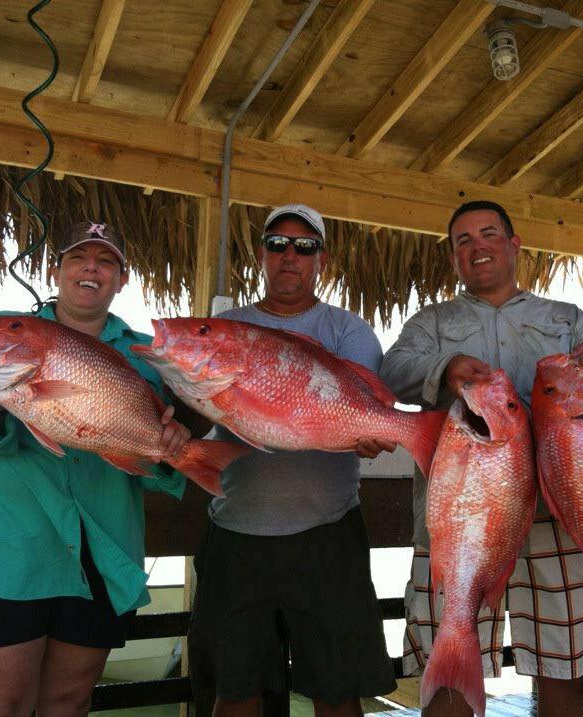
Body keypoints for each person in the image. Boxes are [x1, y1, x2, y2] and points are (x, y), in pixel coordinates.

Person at [379, 200, 583, 717]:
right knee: (448, 675)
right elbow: (390, 374)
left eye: (488, 234)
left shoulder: (565, 318)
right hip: (461, 522)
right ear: (454, 257)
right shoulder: (432, 322)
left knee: (565, 666)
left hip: (559, 520)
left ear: (514, 244)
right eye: (463, 241)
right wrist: (445, 366)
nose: (477, 247)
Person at [0, 221, 193, 717]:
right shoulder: (6, 329)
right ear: (54, 271)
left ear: (121, 279)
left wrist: (172, 447)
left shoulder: (147, 357)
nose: (90, 268)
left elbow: (159, 470)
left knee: (69, 704)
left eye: (105, 261)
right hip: (5, 555)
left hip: (100, 559)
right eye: (78, 257)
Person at [187, 204, 397, 716]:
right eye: (277, 243)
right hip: (235, 535)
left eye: (304, 247)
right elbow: (192, 420)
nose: (289, 255)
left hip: (329, 536)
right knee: (234, 692)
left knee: (338, 691)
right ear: (261, 254)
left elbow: (361, 408)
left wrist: (370, 431)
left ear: (321, 260)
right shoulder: (224, 327)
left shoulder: (348, 330)